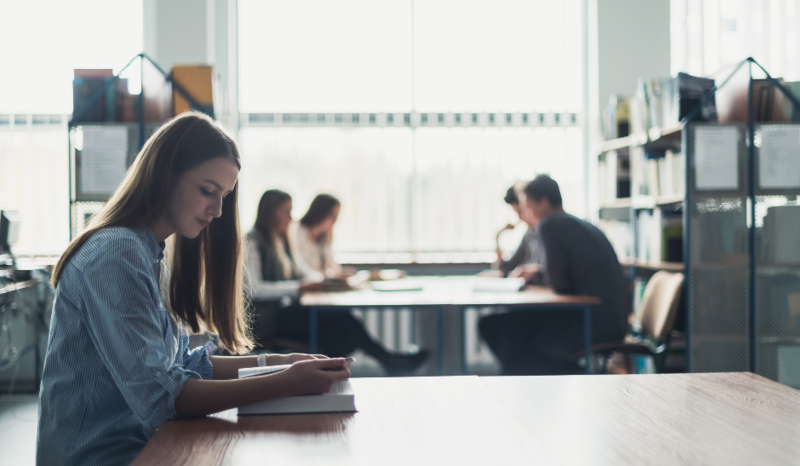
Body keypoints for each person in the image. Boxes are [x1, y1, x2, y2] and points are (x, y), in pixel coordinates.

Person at [37, 112, 351, 466]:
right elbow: (162, 398)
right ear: (165, 175)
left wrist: (278, 364)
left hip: (142, 444)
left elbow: (182, 365)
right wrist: (284, 383)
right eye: (207, 191)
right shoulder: (118, 253)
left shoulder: (149, 251)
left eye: (225, 196)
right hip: (108, 456)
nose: (217, 210)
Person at [246, 189, 428, 375]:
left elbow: (301, 270)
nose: (291, 218)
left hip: (285, 311)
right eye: (286, 212)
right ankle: (387, 360)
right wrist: (298, 287)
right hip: (269, 320)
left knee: (341, 329)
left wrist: (326, 278)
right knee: (341, 319)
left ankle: (383, 361)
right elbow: (255, 290)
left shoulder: (280, 241)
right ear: (270, 212)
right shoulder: (251, 242)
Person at [479, 174, 627, 375]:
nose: (526, 213)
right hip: (611, 319)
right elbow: (567, 277)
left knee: (505, 330)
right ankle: (524, 377)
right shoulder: (577, 223)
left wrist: (541, 273)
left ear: (543, 202)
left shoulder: (550, 225)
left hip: (592, 321)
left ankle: (565, 376)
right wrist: (539, 272)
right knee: (500, 326)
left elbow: (559, 285)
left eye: (527, 206)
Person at [294, 193, 350, 278]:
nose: (334, 221)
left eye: (336, 217)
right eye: (333, 216)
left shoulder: (324, 238)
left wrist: (328, 244)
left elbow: (334, 269)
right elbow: (300, 268)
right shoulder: (297, 232)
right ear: (321, 212)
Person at [494, 183, 541, 276]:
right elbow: (506, 268)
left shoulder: (545, 232)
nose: (520, 218)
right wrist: (497, 237)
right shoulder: (529, 234)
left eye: (520, 212)